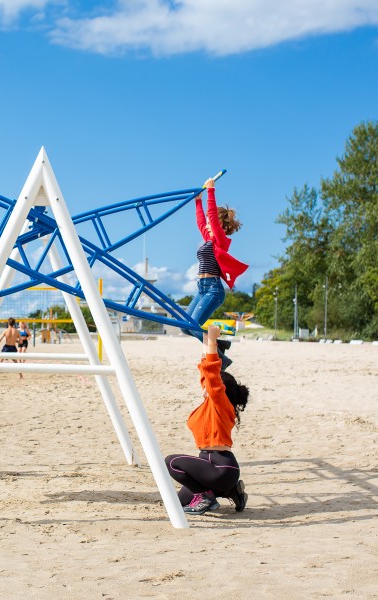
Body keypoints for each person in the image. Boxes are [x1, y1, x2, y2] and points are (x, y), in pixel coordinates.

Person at [164, 325, 249, 515]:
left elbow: (211, 372)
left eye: (212, 384)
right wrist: (204, 339)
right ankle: (231, 490)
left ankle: (206, 497)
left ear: (220, 389)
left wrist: (212, 340)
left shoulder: (220, 403)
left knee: (170, 462)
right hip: (213, 471)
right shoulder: (211, 404)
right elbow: (205, 372)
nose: (205, 385)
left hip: (220, 467)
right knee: (177, 503)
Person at [182, 178, 248, 370]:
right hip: (201, 289)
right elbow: (201, 221)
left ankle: (221, 359)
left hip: (213, 290)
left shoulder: (220, 240)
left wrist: (211, 191)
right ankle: (221, 344)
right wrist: (197, 201)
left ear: (218, 224)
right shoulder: (208, 238)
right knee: (185, 327)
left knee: (194, 326)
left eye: (213, 222)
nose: (208, 225)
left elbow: (210, 216)